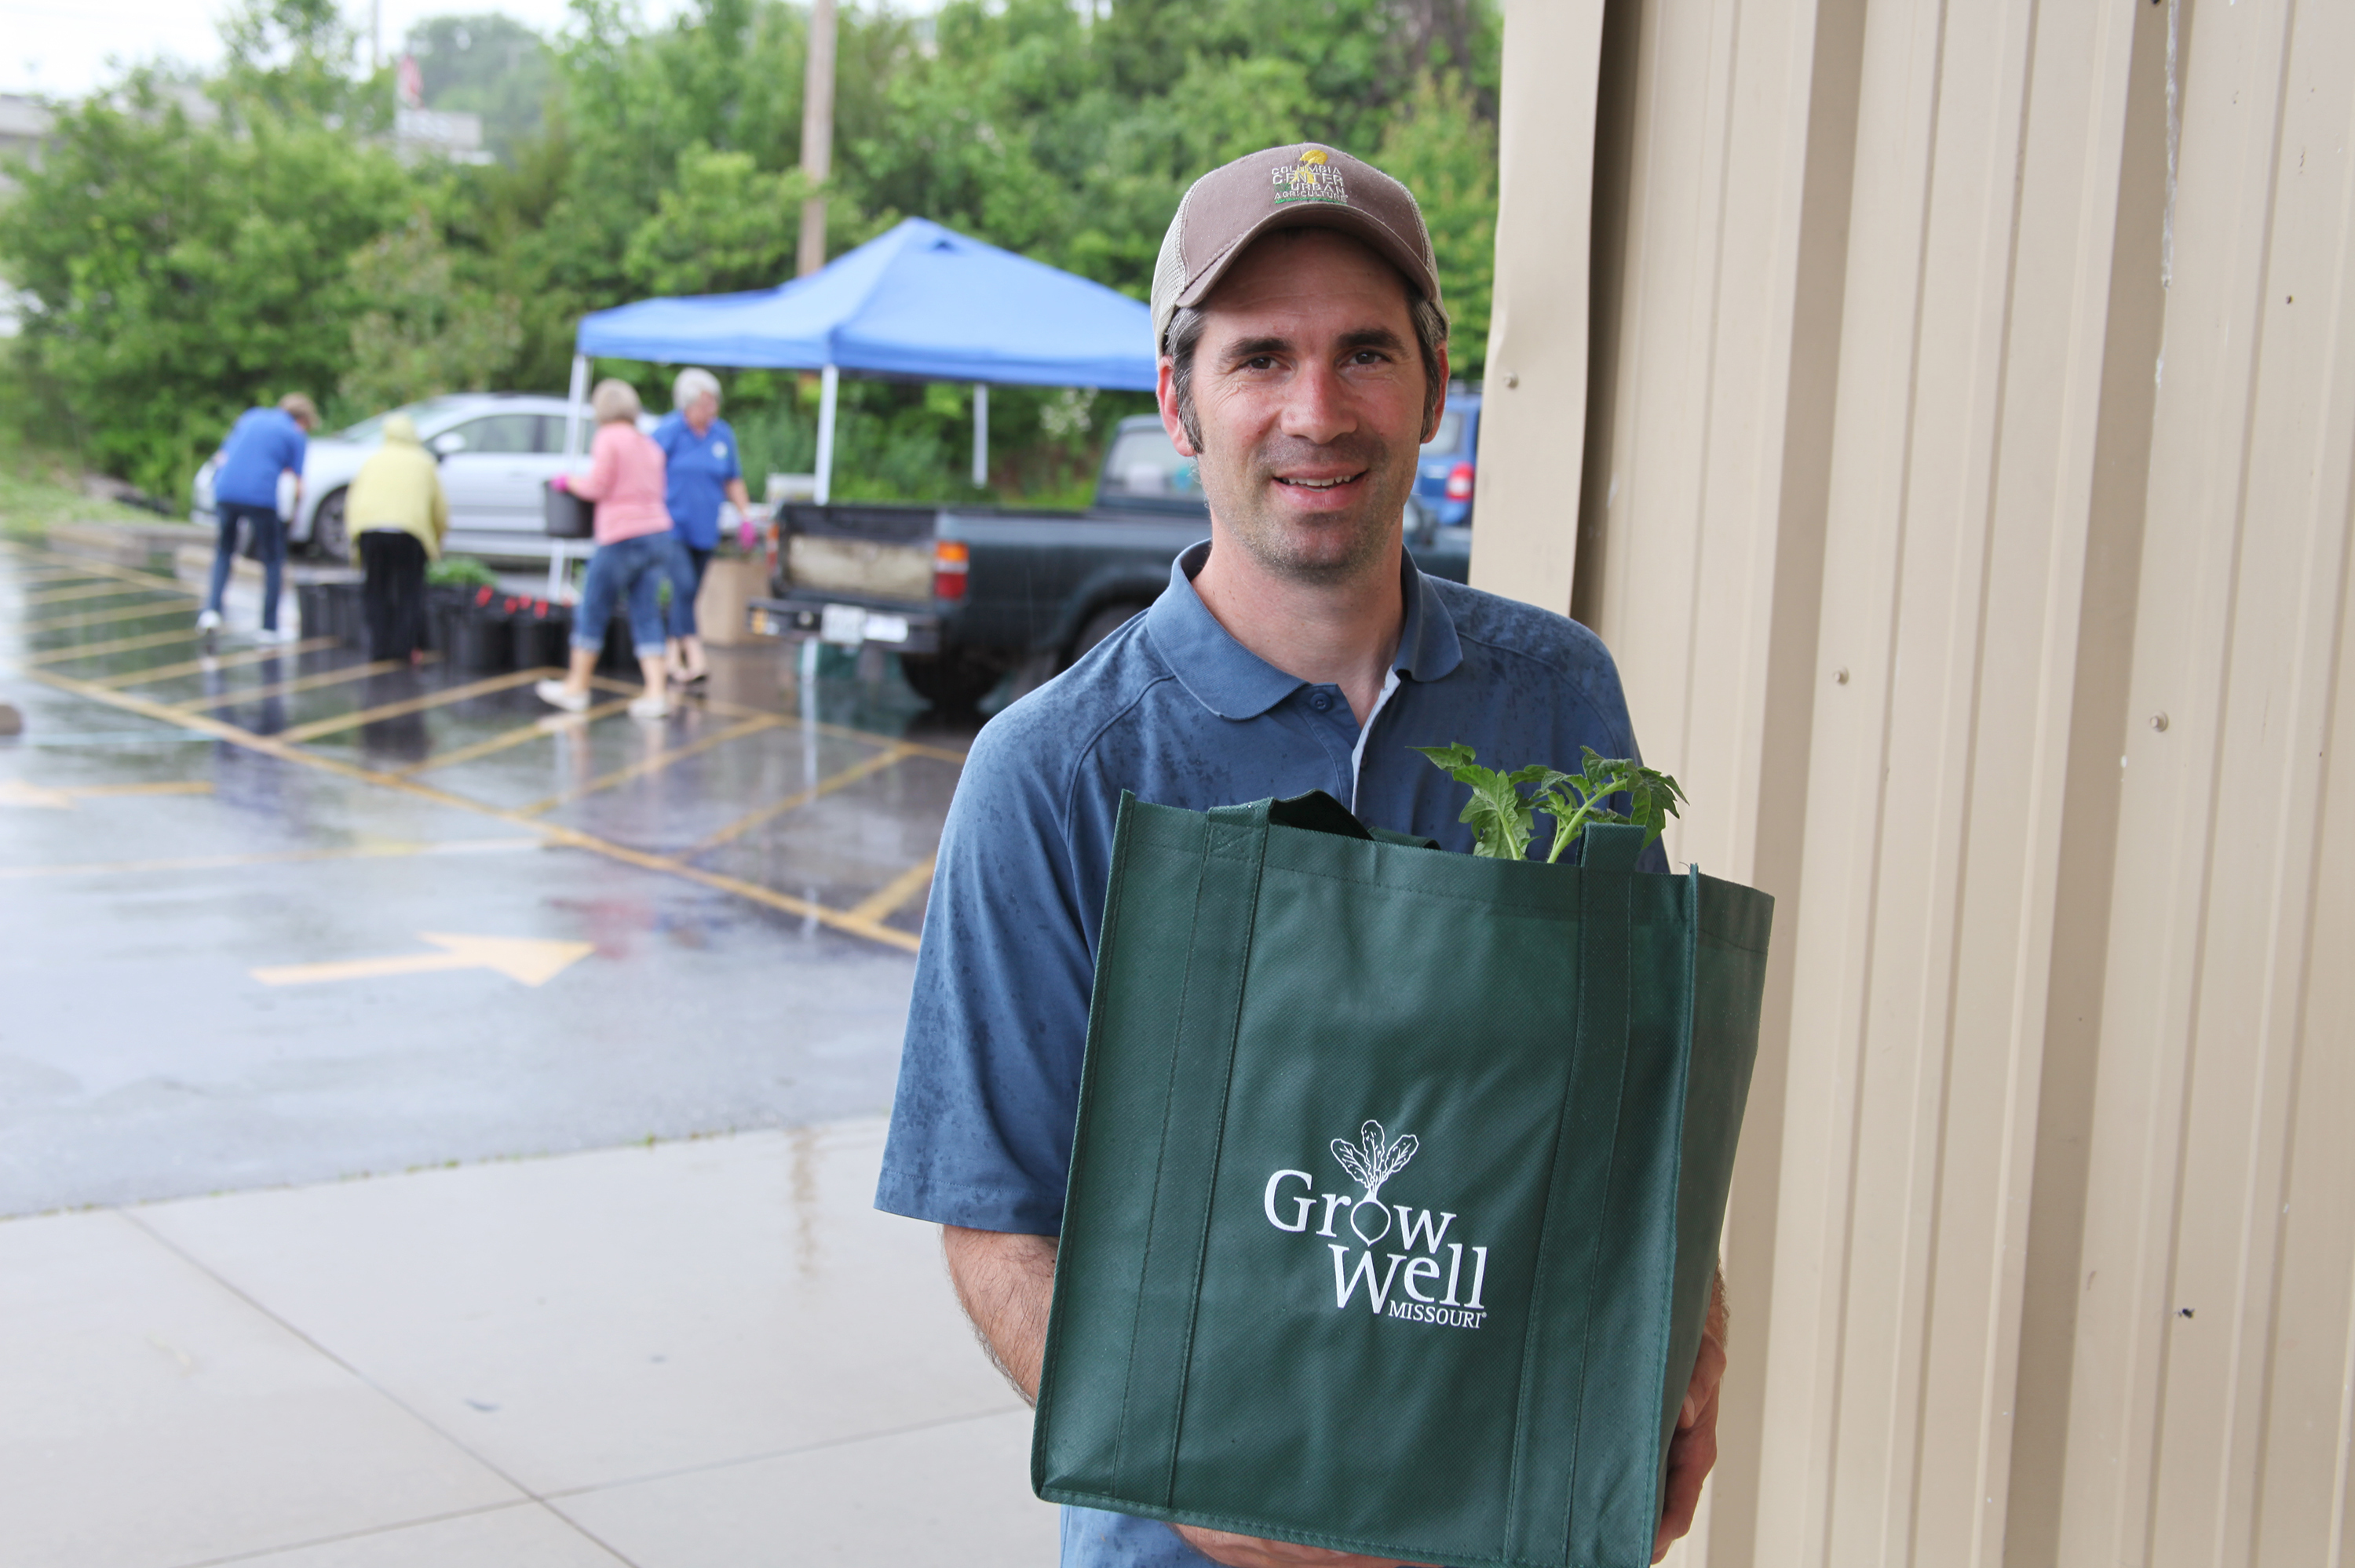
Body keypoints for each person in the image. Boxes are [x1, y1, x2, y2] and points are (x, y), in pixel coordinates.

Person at [874, 145, 1728, 1568]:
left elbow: (1637, 1112)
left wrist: (1688, 1337)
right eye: (1261, 357)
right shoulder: (1055, 772)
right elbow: (997, 1224)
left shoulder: (1558, 697)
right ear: (1179, 398)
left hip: (1505, 1520)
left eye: (1365, 354)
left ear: (1435, 385)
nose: (1316, 413)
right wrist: (1215, 1491)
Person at [536, 379, 675, 721]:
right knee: (646, 611)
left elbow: (597, 486)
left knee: (593, 606)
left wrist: (568, 482)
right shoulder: (649, 443)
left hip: (621, 535)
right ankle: (656, 693)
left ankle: (577, 687)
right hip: (656, 533)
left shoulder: (608, 438)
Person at [651, 366, 754, 685]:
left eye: (714, 402)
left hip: (704, 527)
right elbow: (647, 469)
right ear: (689, 403)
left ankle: (670, 652)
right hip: (672, 525)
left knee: (690, 591)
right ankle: (695, 654)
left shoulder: (722, 435)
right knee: (682, 585)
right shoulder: (669, 431)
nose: (712, 409)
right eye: (706, 402)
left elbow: (732, 479)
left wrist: (745, 515)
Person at [199, 392, 316, 640]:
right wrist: (293, 517)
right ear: (303, 419)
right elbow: (299, 485)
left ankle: (211, 612)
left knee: (224, 551)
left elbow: (222, 456)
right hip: (261, 496)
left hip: (225, 490)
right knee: (273, 559)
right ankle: (269, 627)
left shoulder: (251, 417)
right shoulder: (295, 434)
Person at [344, 414, 447, 663]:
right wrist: (437, 539)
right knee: (408, 591)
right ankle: (403, 650)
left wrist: (353, 538)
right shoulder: (424, 462)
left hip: (370, 530)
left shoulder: (373, 460)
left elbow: (353, 500)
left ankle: (379, 648)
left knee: (375, 589)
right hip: (410, 532)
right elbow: (440, 509)